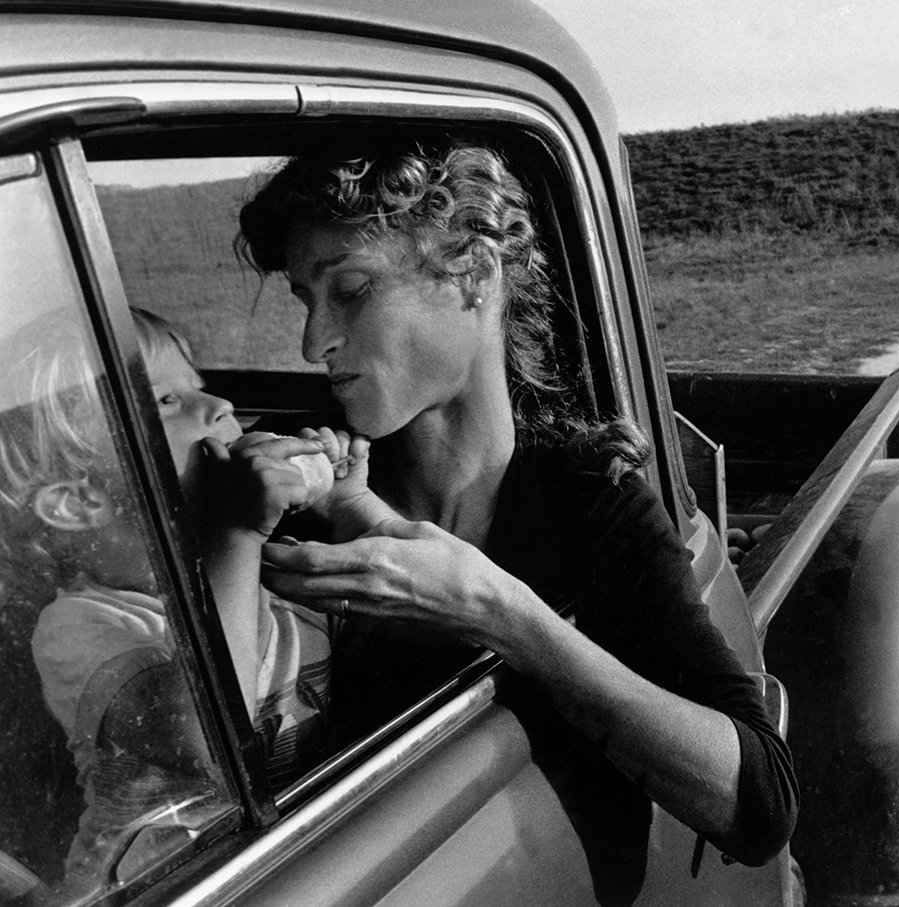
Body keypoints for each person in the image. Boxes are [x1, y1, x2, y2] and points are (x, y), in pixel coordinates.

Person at [238, 139, 798, 881]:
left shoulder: (585, 497)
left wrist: (496, 608)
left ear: (474, 273)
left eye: (350, 290)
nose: (315, 342)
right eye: (307, 303)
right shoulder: (311, 486)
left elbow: (759, 801)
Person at [1, 309, 343, 893]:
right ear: (78, 503)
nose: (219, 408)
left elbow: (387, 645)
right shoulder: (81, 624)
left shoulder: (266, 565)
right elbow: (206, 740)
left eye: (200, 389)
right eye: (164, 401)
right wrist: (236, 534)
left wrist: (349, 506)